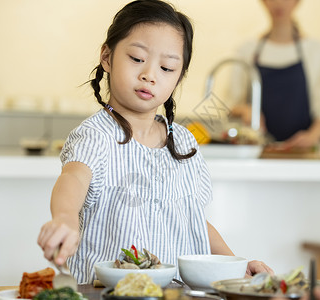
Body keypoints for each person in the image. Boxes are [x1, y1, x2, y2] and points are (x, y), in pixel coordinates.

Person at [37, 0, 273, 284]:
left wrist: (236, 266)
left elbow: (193, 222)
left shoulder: (184, 143)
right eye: (137, 59)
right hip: (108, 292)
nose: (149, 75)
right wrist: (65, 217)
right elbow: (73, 177)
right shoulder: (96, 135)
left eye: (167, 67)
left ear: (178, 77)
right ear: (107, 57)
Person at [230, 0, 320, 151]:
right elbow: (231, 105)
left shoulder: (317, 51)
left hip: (302, 154)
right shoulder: (246, 50)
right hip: (256, 153)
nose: (278, 3)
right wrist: (246, 110)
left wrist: (312, 136)